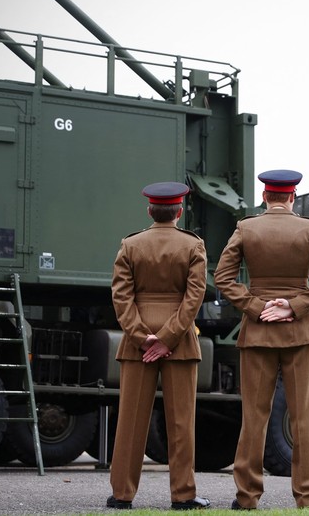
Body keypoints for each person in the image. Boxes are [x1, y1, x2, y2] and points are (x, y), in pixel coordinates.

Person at [214, 169, 309, 510]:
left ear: (265, 197)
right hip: (300, 332)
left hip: (257, 332)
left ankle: (246, 497)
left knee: (254, 417)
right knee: (302, 417)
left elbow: (223, 277)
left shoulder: (246, 228)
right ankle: (308, 498)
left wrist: (256, 307)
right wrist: (294, 305)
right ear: (292, 197)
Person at [108, 181, 210, 510]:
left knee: (130, 421)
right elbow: (194, 298)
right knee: (181, 423)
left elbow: (121, 296)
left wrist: (142, 336)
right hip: (180, 343)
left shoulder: (130, 245)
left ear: (149, 210)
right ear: (179, 212)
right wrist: (168, 338)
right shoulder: (193, 246)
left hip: (137, 344)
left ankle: (122, 494)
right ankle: (183, 495)